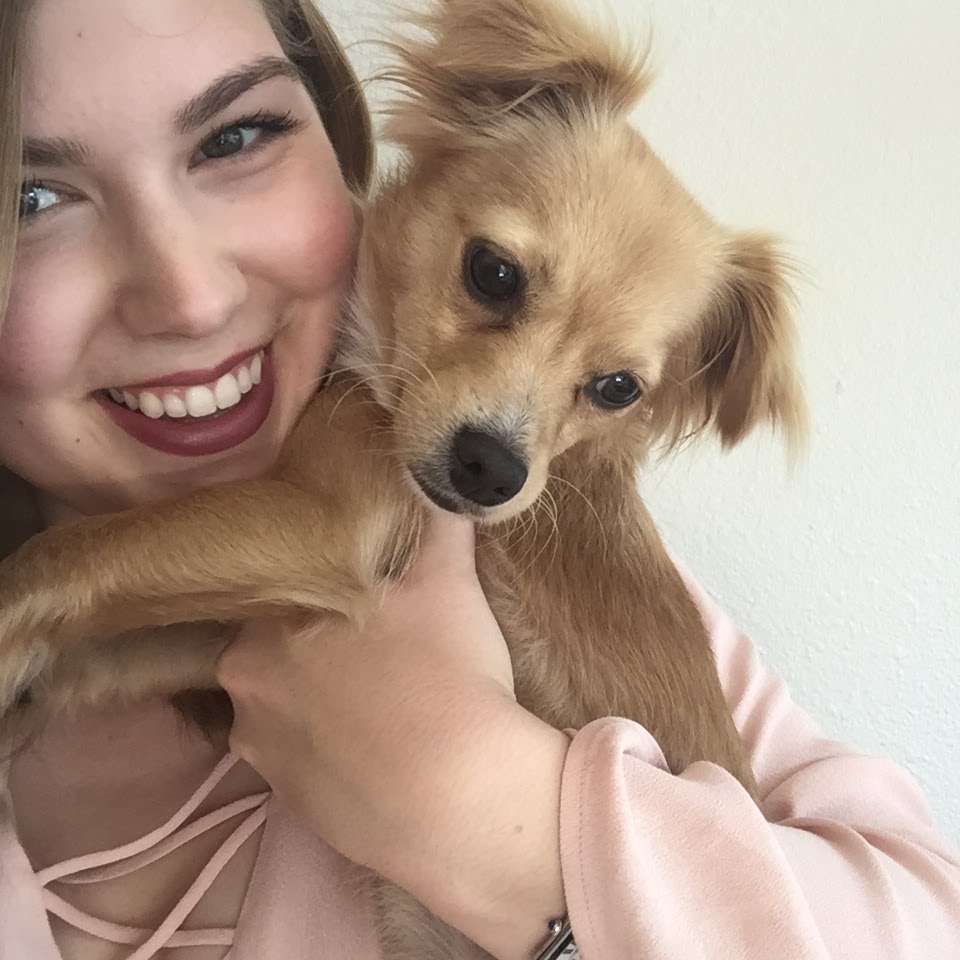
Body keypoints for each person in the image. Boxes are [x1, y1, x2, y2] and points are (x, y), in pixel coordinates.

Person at [0, 1, 957, 958]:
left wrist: (481, 812)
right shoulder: (350, 420)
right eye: (497, 278)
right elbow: (259, 614)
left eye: (610, 387)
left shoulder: (425, 462)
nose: (190, 299)